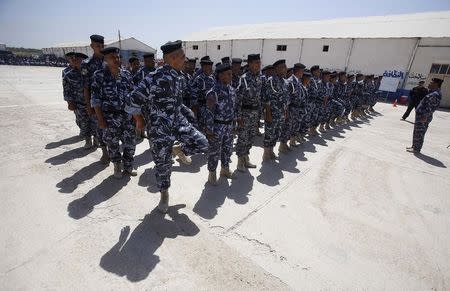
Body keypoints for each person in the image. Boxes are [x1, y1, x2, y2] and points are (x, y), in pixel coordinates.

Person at [126, 40, 209, 213]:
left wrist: (188, 113)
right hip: (159, 129)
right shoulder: (153, 78)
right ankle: (164, 194)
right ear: (172, 58)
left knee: (202, 143)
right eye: (183, 56)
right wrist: (140, 121)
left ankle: (179, 149)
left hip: (178, 122)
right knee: (162, 165)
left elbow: (177, 102)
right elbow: (131, 101)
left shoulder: (180, 77)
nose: (185, 60)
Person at [91, 47, 137, 179]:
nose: (116, 59)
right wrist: (100, 120)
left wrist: (136, 116)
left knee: (130, 143)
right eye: (113, 57)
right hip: (109, 117)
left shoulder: (126, 74)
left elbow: (132, 97)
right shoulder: (99, 75)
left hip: (127, 116)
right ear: (105, 59)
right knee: (113, 144)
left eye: (118, 57)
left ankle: (128, 167)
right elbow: (95, 100)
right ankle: (117, 166)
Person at [205, 63, 237, 184]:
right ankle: (212, 174)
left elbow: (233, 109)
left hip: (229, 126)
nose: (231, 76)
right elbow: (209, 113)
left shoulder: (232, 90)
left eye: (231, 74)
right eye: (228, 74)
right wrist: (209, 131)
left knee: (227, 150)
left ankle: (225, 169)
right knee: (214, 152)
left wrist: (233, 126)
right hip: (217, 127)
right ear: (221, 76)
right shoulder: (213, 92)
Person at [81, 34, 109, 163]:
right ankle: (104, 152)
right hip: (96, 102)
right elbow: (86, 87)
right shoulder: (87, 64)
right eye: (98, 46)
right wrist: (88, 106)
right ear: (92, 46)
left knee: (111, 127)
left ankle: (112, 150)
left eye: (102, 45)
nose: (100, 47)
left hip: (110, 100)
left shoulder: (109, 60)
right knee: (99, 127)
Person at [235, 53, 262, 172]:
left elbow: (259, 98)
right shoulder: (244, 79)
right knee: (242, 138)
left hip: (255, 113)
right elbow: (238, 100)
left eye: (259, 62)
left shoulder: (259, 78)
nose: (259, 65)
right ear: (250, 64)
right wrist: (239, 118)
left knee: (250, 138)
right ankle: (240, 162)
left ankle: (246, 158)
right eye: (256, 63)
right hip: (245, 114)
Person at [62, 52, 93, 148]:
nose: (75, 61)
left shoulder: (90, 72)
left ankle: (96, 140)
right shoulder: (69, 74)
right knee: (83, 122)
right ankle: (88, 140)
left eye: (78, 59)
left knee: (95, 123)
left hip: (92, 103)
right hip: (78, 103)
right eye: (74, 59)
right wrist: (69, 102)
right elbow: (66, 89)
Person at [406, 78, 443, 153]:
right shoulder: (431, 92)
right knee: (417, 132)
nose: (429, 84)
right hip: (421, 115)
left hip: (424, 116)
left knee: (420, 132)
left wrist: (425, 116)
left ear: (435, 84)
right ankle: (414, 146)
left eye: (431, 83)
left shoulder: (435, 94)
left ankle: (416, 148)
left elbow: (430, 107)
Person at [262, 59, 289, 161]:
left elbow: (286, 99)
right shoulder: (271, 81)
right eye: (283, 67)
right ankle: (266, 153)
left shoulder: (285, 82)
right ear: (277, 69)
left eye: (285, 67)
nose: (286, 69)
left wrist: (286, 112)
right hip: (272, 113)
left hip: (281, 113)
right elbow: (267, 100)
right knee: (269, 133)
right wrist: (268, 114)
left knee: (276, 133)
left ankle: (271, 150)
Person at [190, 56, 215, 131]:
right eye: (208, 66)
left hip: (211, 108)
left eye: (210, 66)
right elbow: (193, 94)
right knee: (201, 128)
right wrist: (195, 109)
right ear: (203, 67)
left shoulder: (212, 78)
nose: (210, 68)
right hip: (201, 108)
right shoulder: (198, 79)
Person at [285, 63, 306, 147]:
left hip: (297, 108)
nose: (302, 73)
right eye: (302, 71)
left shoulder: (298, 81)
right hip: (291, 108)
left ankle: (292, 141)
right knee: (288, 127)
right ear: (298, 71)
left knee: (294, 126)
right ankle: (283, 145)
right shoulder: (290, 81)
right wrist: (286, 111)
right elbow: (287, 97)